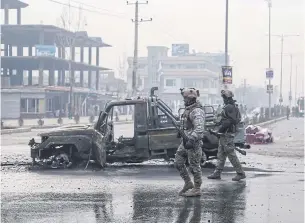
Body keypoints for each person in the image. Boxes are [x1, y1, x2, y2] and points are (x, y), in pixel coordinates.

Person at [207, 89, 246, 181]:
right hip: (225, 134)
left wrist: (220, 131)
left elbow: (228, 121)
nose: (223, 99)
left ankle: (240, 173)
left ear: (226, 98)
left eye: (224, 97)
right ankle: (217, 173)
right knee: (221, 154)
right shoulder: (230, 106)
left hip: (227, 134)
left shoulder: (229, 107)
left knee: (231, 154)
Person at [175, 88, 205, 197]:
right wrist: (181, 132)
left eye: (185, 98)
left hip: (193, 143)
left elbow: (199, 129)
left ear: (190, 99)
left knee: (194, 166)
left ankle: (197, 188)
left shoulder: (197, 111)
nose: (184, 100)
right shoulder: (188, 109)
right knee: (178, 162)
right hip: (185, 142)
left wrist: (191, 139)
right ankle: (188, 183)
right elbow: (186, 125)